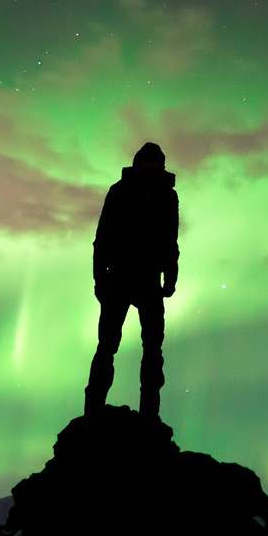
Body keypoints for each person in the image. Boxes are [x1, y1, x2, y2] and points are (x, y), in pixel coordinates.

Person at [86, 141, 179, 419]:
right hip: (121, 277)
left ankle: (147, 414)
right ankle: (96, 411)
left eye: (155, 164)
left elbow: (169, 239)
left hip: (141, 278)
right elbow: (102, 239)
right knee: (111, 344)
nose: (152, 168)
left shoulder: (165, 195)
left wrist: (170, 275)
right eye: (148, 163)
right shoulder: (122, 192)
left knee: (149, 345)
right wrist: (100, 279)